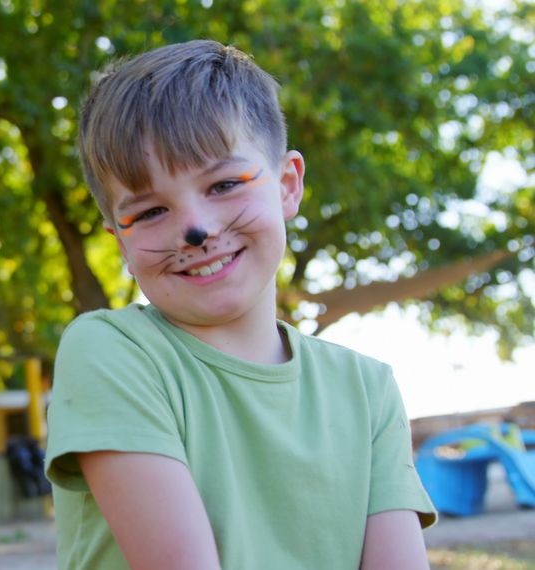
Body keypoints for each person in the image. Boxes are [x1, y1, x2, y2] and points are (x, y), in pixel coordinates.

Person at [44, 40, 437, 569]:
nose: (194, 230)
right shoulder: (109, 352)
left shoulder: (368, 390)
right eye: (153, 210)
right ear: (120, 241)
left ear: (288, 184)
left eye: (224, 183)